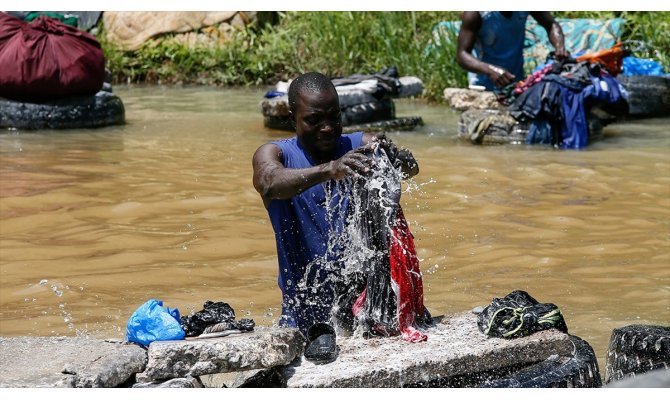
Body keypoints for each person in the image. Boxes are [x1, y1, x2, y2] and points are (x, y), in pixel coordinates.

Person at [252, 72, 419, 338]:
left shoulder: (359, 146)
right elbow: (268, 182)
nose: (327, 127)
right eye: (314, 120)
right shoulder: (276, 155)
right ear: (290, 117)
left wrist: (397, 158)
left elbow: (410, 170)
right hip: (306, 317)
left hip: (366, 311)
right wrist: (330, 169)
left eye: (334, 117)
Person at [456, 11, 568, 91]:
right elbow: (462, 55)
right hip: (482, 87)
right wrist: (490, 70)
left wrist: (560, 47)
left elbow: (551, 24)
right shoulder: (476, 13)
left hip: (515, 84)